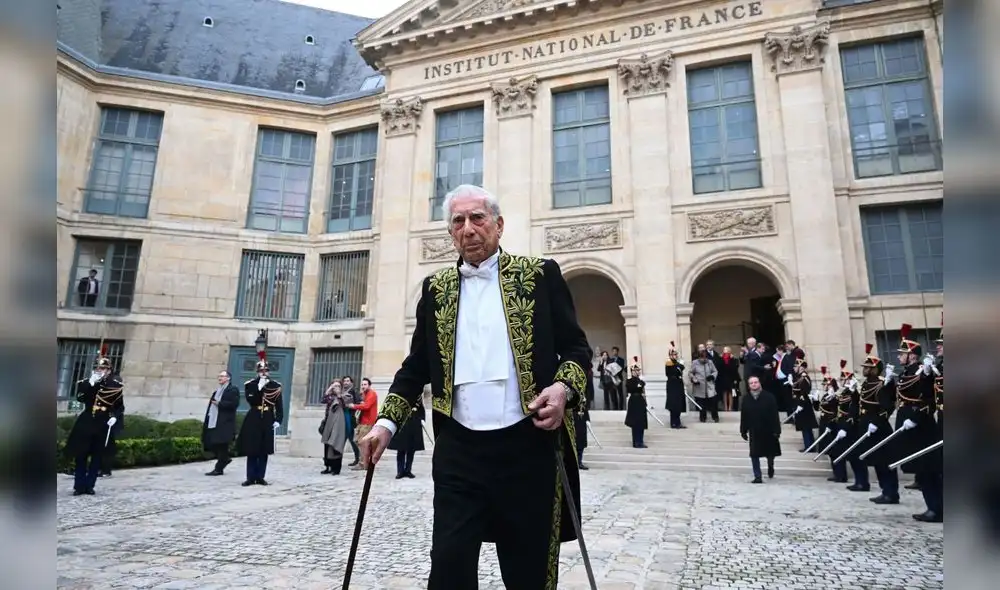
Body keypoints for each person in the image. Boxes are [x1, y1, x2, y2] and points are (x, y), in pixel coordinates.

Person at [358, 184, 592, 589]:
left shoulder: (540, 275)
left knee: (528, 571)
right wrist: (385, 424)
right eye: (458, 221)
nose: (468, 229)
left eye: (477, 218)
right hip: (459, 452)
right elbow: (416, 368)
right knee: (448, 567)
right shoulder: (436, 291)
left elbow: (576, 349)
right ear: (451, 233)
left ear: (499, 225)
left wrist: (562, 389)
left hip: (528, 447)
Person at [891, 323, 942, 523]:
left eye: (902, 353)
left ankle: (936, 508)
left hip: (921, 426)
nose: (898, 356)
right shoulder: (906, 372)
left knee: (928, 469)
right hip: (909, 423)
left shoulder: (923, 371)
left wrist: (916, 417)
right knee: (922, 470)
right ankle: (933, 507)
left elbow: (929, 399)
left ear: (912, 355)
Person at [64, 356, 124, 495]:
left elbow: (119, 406)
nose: (100, 370)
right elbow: (80, 397)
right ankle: (79, 486)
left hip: (102, 423)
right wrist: (90, 384)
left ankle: (90, 485)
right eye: (98, 368)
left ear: (109, 370)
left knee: (97, 457)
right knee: (81, 455)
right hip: (87, 422)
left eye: (103, 368)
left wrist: (114, 417)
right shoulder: (87, 383)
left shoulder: (114, 386)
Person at [853, 343, 900, 504]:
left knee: (884, 461)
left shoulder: (881, 384)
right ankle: (885, 491)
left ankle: (891, 492)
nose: (863, 369)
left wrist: (876, 422)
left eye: (866, 367)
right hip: (867, 425)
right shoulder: (867, 383)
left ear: (873, 369)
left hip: (878, 427)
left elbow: (887, 407)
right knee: (876, 461)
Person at [236, 359, 283, 486]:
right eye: (261, 371)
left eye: (265, 370)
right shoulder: (250, 384)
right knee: (252, 448)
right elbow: (252, 400)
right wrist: (259, 388)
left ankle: (260, 476)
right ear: (257, 372)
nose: (263, 373)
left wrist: (278, 419)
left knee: (264, 449)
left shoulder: (275, 386)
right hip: (254, 416)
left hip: (268, 417)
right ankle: (250, 477)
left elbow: (279, 405)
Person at [828, 359, 870, 492]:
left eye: (843, 379)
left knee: (857, 457)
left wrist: (855, 392)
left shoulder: (853, 393)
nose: (841, 381)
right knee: (851, 457)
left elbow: (854, 410)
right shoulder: (844, 393)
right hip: (843, 427)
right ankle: (859, 481)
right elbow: (838, 410)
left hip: (852, 429)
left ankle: (863, 482)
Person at [739, 375, 781, 483]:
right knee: (754, 454)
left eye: (755, 382)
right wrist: (743, 430)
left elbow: (775, 415)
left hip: (768, 429)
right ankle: (758, 476)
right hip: (754, 430)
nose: (754, 384)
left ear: (759, 383)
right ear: (749, 385)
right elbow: (744, 415)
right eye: (751, 383)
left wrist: (777, 430)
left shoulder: (769, 397)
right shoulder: (746, 399)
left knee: (770, 453)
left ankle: (770, 467)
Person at [202, 369, 240, 476]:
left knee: (222, 444)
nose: (220, 378)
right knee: (212, 443)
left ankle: (219, 468)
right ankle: (225, 459)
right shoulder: (217, 391)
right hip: (214, 421)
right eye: (219, 376)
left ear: (228, 378)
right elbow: (211, 407)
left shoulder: (233, 390)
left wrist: (220, 403)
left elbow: (234, 404)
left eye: (222, 376)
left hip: (224, 422)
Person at [817, 366, 847, 482]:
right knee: (830, 452)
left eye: (826, 384)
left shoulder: (836, 397)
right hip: (825, 424)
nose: (824, 386)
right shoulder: (826, 396)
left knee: (836, 451)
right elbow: (819, 408)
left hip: (832, 426)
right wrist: (815, 400)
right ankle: (836, 473)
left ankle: (841, 475)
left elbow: (836, 410)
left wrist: (833, 398)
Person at [388, 393, 426, 479]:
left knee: (411, 449)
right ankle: (400, 471)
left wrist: (422, 419)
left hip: (413, 423)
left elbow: (421, 408)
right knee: (401, 449)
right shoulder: (401, 393)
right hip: (402, 424)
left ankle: (408, 470)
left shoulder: (418, 395)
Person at [789, 351, 818, 451]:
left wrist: (800, 405)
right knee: (805, 427)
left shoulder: (804, 378)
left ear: (801, 367)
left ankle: (809, 447)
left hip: (804, 406)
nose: (794, 368)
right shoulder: (799, 377)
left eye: (795, 366)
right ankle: (809, 446)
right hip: (799, 405)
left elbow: (804, 393)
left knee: (806, 428)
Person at [347, 377, 378, 471]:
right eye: (362, 384)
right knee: (357, 441)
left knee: (362, 443)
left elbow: (367, 406)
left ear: (369, 385)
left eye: (365, 384)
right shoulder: (364, 394)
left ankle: (363, 464)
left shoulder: (372, 394)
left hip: (368, 423)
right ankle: (365, 462)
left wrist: (354, 406)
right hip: (362, 422)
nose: (363, 386)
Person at [319, 380, 348, 475]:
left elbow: (345, 406)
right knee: (327, 446)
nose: (336, 388)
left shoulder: (344, 396)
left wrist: (339, 395)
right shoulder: (330, 397)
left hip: (338, 424)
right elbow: (323, 400)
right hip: (328, 423)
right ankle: (328, 466)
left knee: (336, 444)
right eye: (334, 386)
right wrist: (330, 389)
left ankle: (336, 468)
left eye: (338, 386)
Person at [689, 348, 719, 422]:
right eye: (701, 358)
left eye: (704, 358)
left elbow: (715, 371)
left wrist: (712, 376)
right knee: (701, 404)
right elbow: (690, 373)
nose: (703, 359)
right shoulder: (695, 363)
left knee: (713, 402)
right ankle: (702, 417)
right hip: (699, 386)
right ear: (699, 357)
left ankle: (715, 417)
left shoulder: (710, 362)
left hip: (709, 386)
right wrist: (694, 379)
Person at [624, 364, 648, 448]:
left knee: (641, 422)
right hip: (634, 401)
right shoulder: (629, 381)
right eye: (636, 370)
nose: (638, 372)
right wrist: (639, 383)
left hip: (640, 401)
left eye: (638, 370)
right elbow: (632, 389)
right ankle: (636, 442)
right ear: (632, 372)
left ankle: (640, 440)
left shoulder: (641, 381)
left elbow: (642, 389)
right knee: (635, 423)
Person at [664, 342, 687, 429]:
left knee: (679, 404)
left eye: (676, 354)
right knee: (673, 404)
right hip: (672, 384)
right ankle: (673, 422)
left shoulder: (678, 363)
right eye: (673, 354)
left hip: (678, 383)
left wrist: (678, 364)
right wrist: (678, 363)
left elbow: (682, 368)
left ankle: (678, 422)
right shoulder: (669, 363)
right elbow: (671, 371)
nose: (675, 356)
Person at [341, 375, 362, 466]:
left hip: (350, 417)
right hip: (342, 417)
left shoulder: (354, 391)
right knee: (344, 439)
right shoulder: (341, 391)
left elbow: (359, 402)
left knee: (351, 439)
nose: (346, 382)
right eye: (345, 381)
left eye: (348, 381)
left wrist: (350, 405)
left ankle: (357, 458)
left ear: (351, 382)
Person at [717, 346, 740, 412]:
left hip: (732, 378)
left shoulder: (734, 359)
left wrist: (732, 359)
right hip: (723, 378)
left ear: (730, 351)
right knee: (724, 392)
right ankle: (725, 407)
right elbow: (719, 367)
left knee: (731, 392)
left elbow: (735, 368)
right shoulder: (720, 358)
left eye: (727, 350)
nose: (725, 351)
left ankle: (730, 407)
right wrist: (720, 358)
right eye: (724, 350)